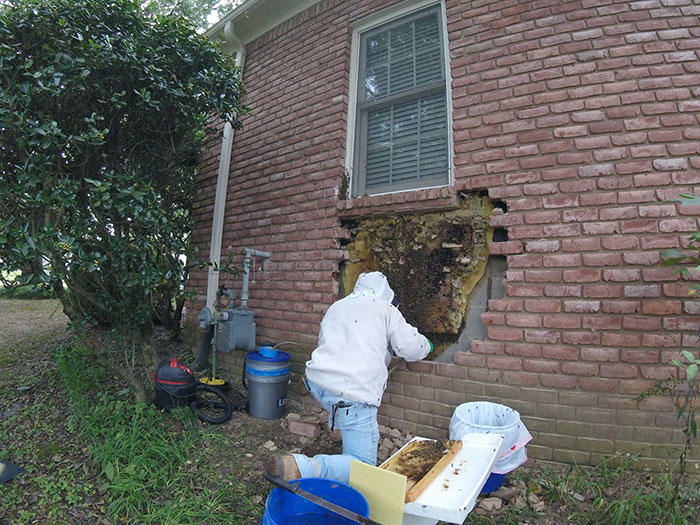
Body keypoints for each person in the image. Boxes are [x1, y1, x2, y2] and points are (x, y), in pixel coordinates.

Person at [264, 271, 432, 483]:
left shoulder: (337, 306)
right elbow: (410, 347)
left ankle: (342, 431)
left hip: (317, 384)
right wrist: (427, 345)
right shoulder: (385, 309)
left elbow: (326, 341)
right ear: (386, 293)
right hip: (352, 395)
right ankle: (302, 467)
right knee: (363, 465)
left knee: (340, 402)